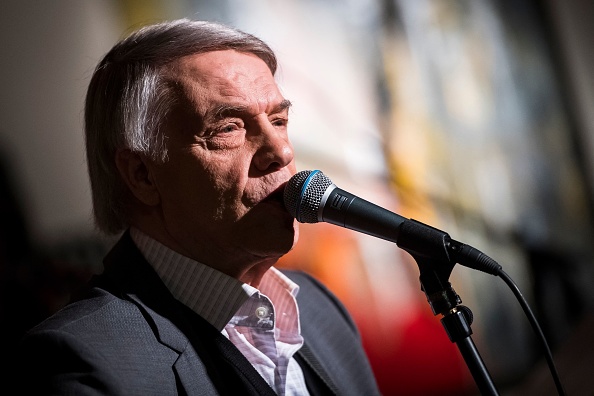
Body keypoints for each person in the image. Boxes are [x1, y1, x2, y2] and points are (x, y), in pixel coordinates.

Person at [11, 18, 380, 395]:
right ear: (142, 175)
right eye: (228, 128)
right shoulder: (83, 361)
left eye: (279, 120)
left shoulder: (320, 309)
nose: (281, 152)